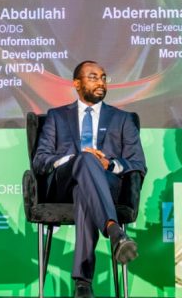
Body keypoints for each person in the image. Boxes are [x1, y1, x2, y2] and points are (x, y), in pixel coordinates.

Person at [32, 61, 145, 298]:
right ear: (76, 83)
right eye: (93, 77)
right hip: (63, 184)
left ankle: (83, 284)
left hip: (104, 186)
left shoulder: (123, 119)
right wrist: (74, 159)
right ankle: (113, 231)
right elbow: (40, 160)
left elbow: (137, 163)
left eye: (103, 77)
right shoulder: (57, 117)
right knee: (85, 160)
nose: (101, 82)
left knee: (84, 191)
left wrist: (109, 164)